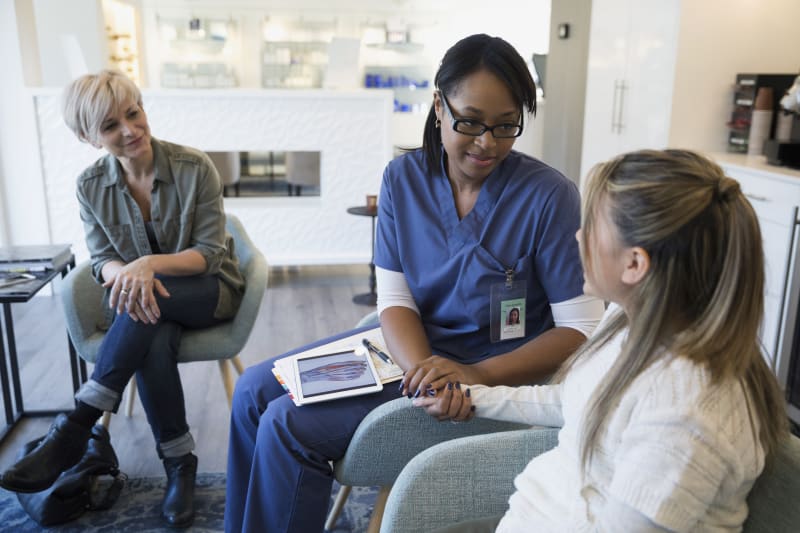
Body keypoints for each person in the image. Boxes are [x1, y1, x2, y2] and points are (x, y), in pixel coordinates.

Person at [226, 33, 604, 533]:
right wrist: (423, 369)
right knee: (253, 390)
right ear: (438, 106)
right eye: (469, 121)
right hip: (409, 354)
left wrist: (479, 376)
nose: (486, 142)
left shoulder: (548, 196)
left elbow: (579, 328)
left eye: (505, 126)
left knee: (286, 426)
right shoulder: (402, 179)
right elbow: (396, 298)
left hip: (492, 367)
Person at [413, 149, 790, 532]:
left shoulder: (684, 416)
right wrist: (473, 395)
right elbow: (576, 399)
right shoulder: (629, 320)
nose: (578, 236)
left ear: (634, 265)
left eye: (591, 226)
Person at [0, 69, 245, 529]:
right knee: (149, 330)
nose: (129, 130)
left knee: (141, 305)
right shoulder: (90, 185)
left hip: (209, 292)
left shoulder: (195, 168)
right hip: (150, 304)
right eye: (111, 126)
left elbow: (210, 256)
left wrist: (146, 267)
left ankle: (76, 425)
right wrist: (128, 272)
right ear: (88, 137)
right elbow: (102, 261)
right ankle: (179, 466)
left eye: (133, 114)